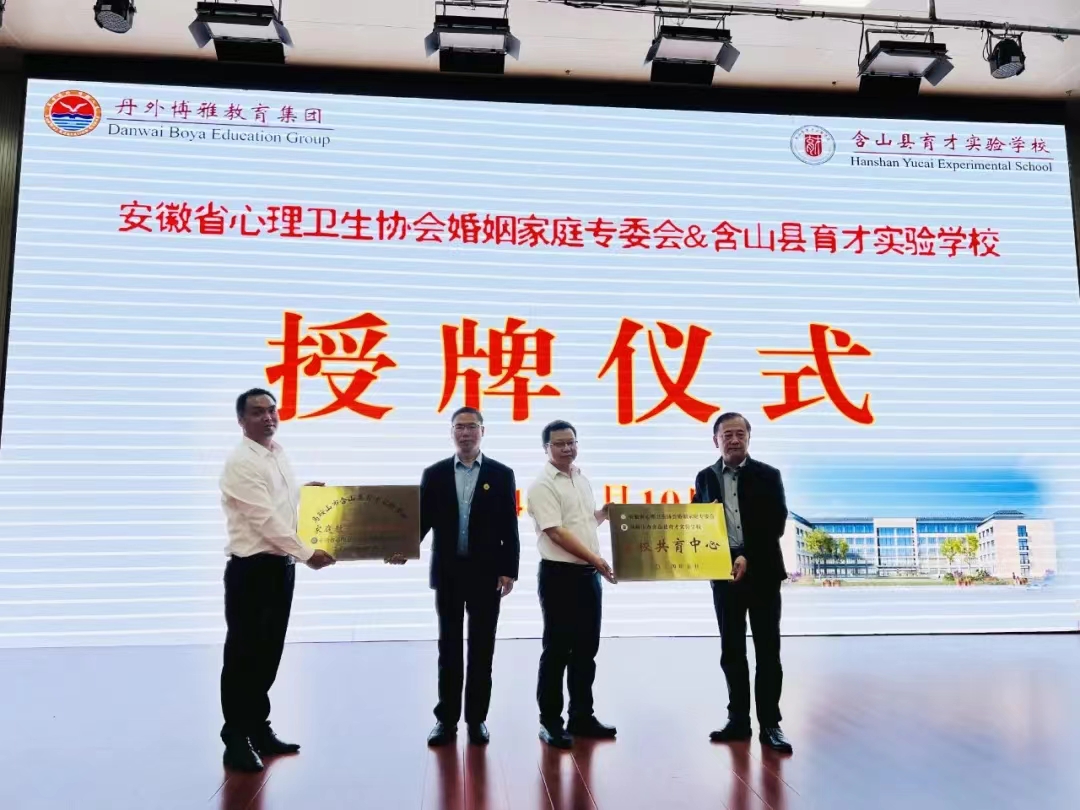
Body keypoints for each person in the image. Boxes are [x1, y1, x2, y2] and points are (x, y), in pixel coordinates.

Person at [218, 388, 337, 772]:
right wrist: (307, 553)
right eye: (257, 412)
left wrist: (304, 497)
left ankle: (258, 728)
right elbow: (265, 520)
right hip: (252, 570)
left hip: (279, 568)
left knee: (268, 654)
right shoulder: (241, 462)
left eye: (272, 410)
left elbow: (277, 505)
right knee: (243, 656)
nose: (268, 417)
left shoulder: (277, 453)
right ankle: (235, 739)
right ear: (241, 420)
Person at [415, 407, 520, 747]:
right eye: (459, 427)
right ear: (451, 433)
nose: (465, 433)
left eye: (471, 426)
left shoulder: (501, 474)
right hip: (448, 573)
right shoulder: (435, 474)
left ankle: (477, 719)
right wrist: (400, 546)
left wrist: (509, 569)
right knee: (448, 648)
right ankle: (446, 721)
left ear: (482, 432)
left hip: (486, 574)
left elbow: (509, 525)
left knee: (481, 648)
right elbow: (421, 521)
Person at [692, 412, 793, 754]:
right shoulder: (705, 477)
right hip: (723, 574)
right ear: (715, 440)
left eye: (740, 434)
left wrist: (747, 555)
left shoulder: (768, 474)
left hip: (762, 571)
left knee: (768, 650)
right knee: (732, 650)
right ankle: (737, 720)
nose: (734, 440)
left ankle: (771, 724)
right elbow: (695, 521)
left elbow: (775, 522)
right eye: (727, 435)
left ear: (749, 438)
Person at [526, 419, 617, 749]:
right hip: (560, 577)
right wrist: (596, 559)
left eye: (571, 442)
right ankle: (550, 722)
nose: (567, 448)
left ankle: (581, 716)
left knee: (586, 650)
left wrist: (603, 514)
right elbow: (556, 532)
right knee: (557, 651)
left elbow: (581, 524)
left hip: (588, 577)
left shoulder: (581, 478)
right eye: (559, 443)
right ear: (546, 448)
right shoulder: (542, 485)